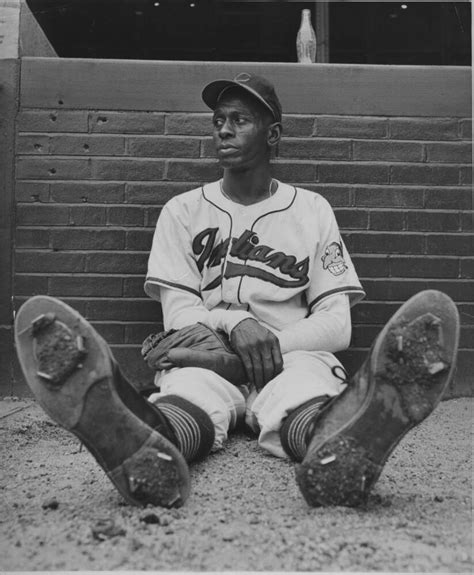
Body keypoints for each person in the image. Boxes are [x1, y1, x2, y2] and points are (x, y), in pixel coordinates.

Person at [14, 73, 459, 509]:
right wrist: (234, 322)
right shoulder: (182, 210)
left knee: (302, 396)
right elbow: (178, 318)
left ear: (274, 134)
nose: (223, 129)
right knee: (187, 398)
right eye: (218, 120)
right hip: (206, 354)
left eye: (240, 119)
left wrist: (265, 348)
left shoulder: (311, 209)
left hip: (291, 357)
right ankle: (142, 443)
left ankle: (342, 445)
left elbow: (337, 324)